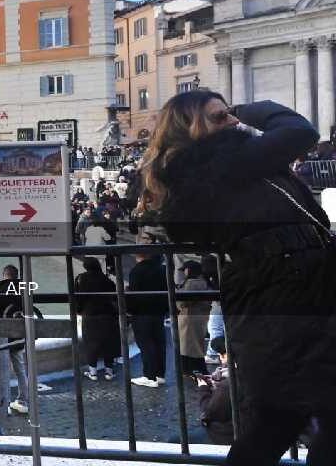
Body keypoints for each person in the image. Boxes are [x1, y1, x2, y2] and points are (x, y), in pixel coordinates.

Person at [140, 93, 336, 464]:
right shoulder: (213, 166)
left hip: (301, 286)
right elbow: (299, 131)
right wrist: (247, 108)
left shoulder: (240, 163)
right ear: (189, 128)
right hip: (279, 294)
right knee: (279, 416)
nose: (231, 122)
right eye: (219, 117)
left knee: (288, 415)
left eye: (230, 114)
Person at [0, 265, 29, 416]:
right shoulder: (24, 287)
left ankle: (2, 403)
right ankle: (23, 400)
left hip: (0, 334)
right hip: (17, 333)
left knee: (0, 371)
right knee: (20, 369)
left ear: (4, 275)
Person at [125, 233, 168, 388]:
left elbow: (133, 295)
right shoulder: (161, 269)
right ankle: (159, 374)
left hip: (141, 312)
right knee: (158, 343)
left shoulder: (137, 271)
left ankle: (149, 376)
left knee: (146, 344)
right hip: (158, 312)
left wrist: (129, 310)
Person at [73, 257, 121, 380]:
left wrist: (78, 311)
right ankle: (109, 371)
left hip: (90, 315)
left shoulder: (80, 279)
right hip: (107, 315)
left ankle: (93, 372)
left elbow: (77, 298)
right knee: (108, 343)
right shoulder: (107, 280)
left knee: (91, 343)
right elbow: (114, 297)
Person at [176, 261, 211, 377]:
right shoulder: (203, 281)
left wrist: (177, 297)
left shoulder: (192, 283)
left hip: (190, 317)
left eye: (185, 269)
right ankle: (190, 370)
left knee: (190, 345)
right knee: (194, 344)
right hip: (199, 316)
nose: (184, 272)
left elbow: (184, 301)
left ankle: (194, 370)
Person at [198, 337, 234, 446]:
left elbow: (210, 412)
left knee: (174, 440)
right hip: (249, 431)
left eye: (222, 354)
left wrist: (203, 388)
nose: (220, 357)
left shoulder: (228, 385)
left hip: (227, 435)